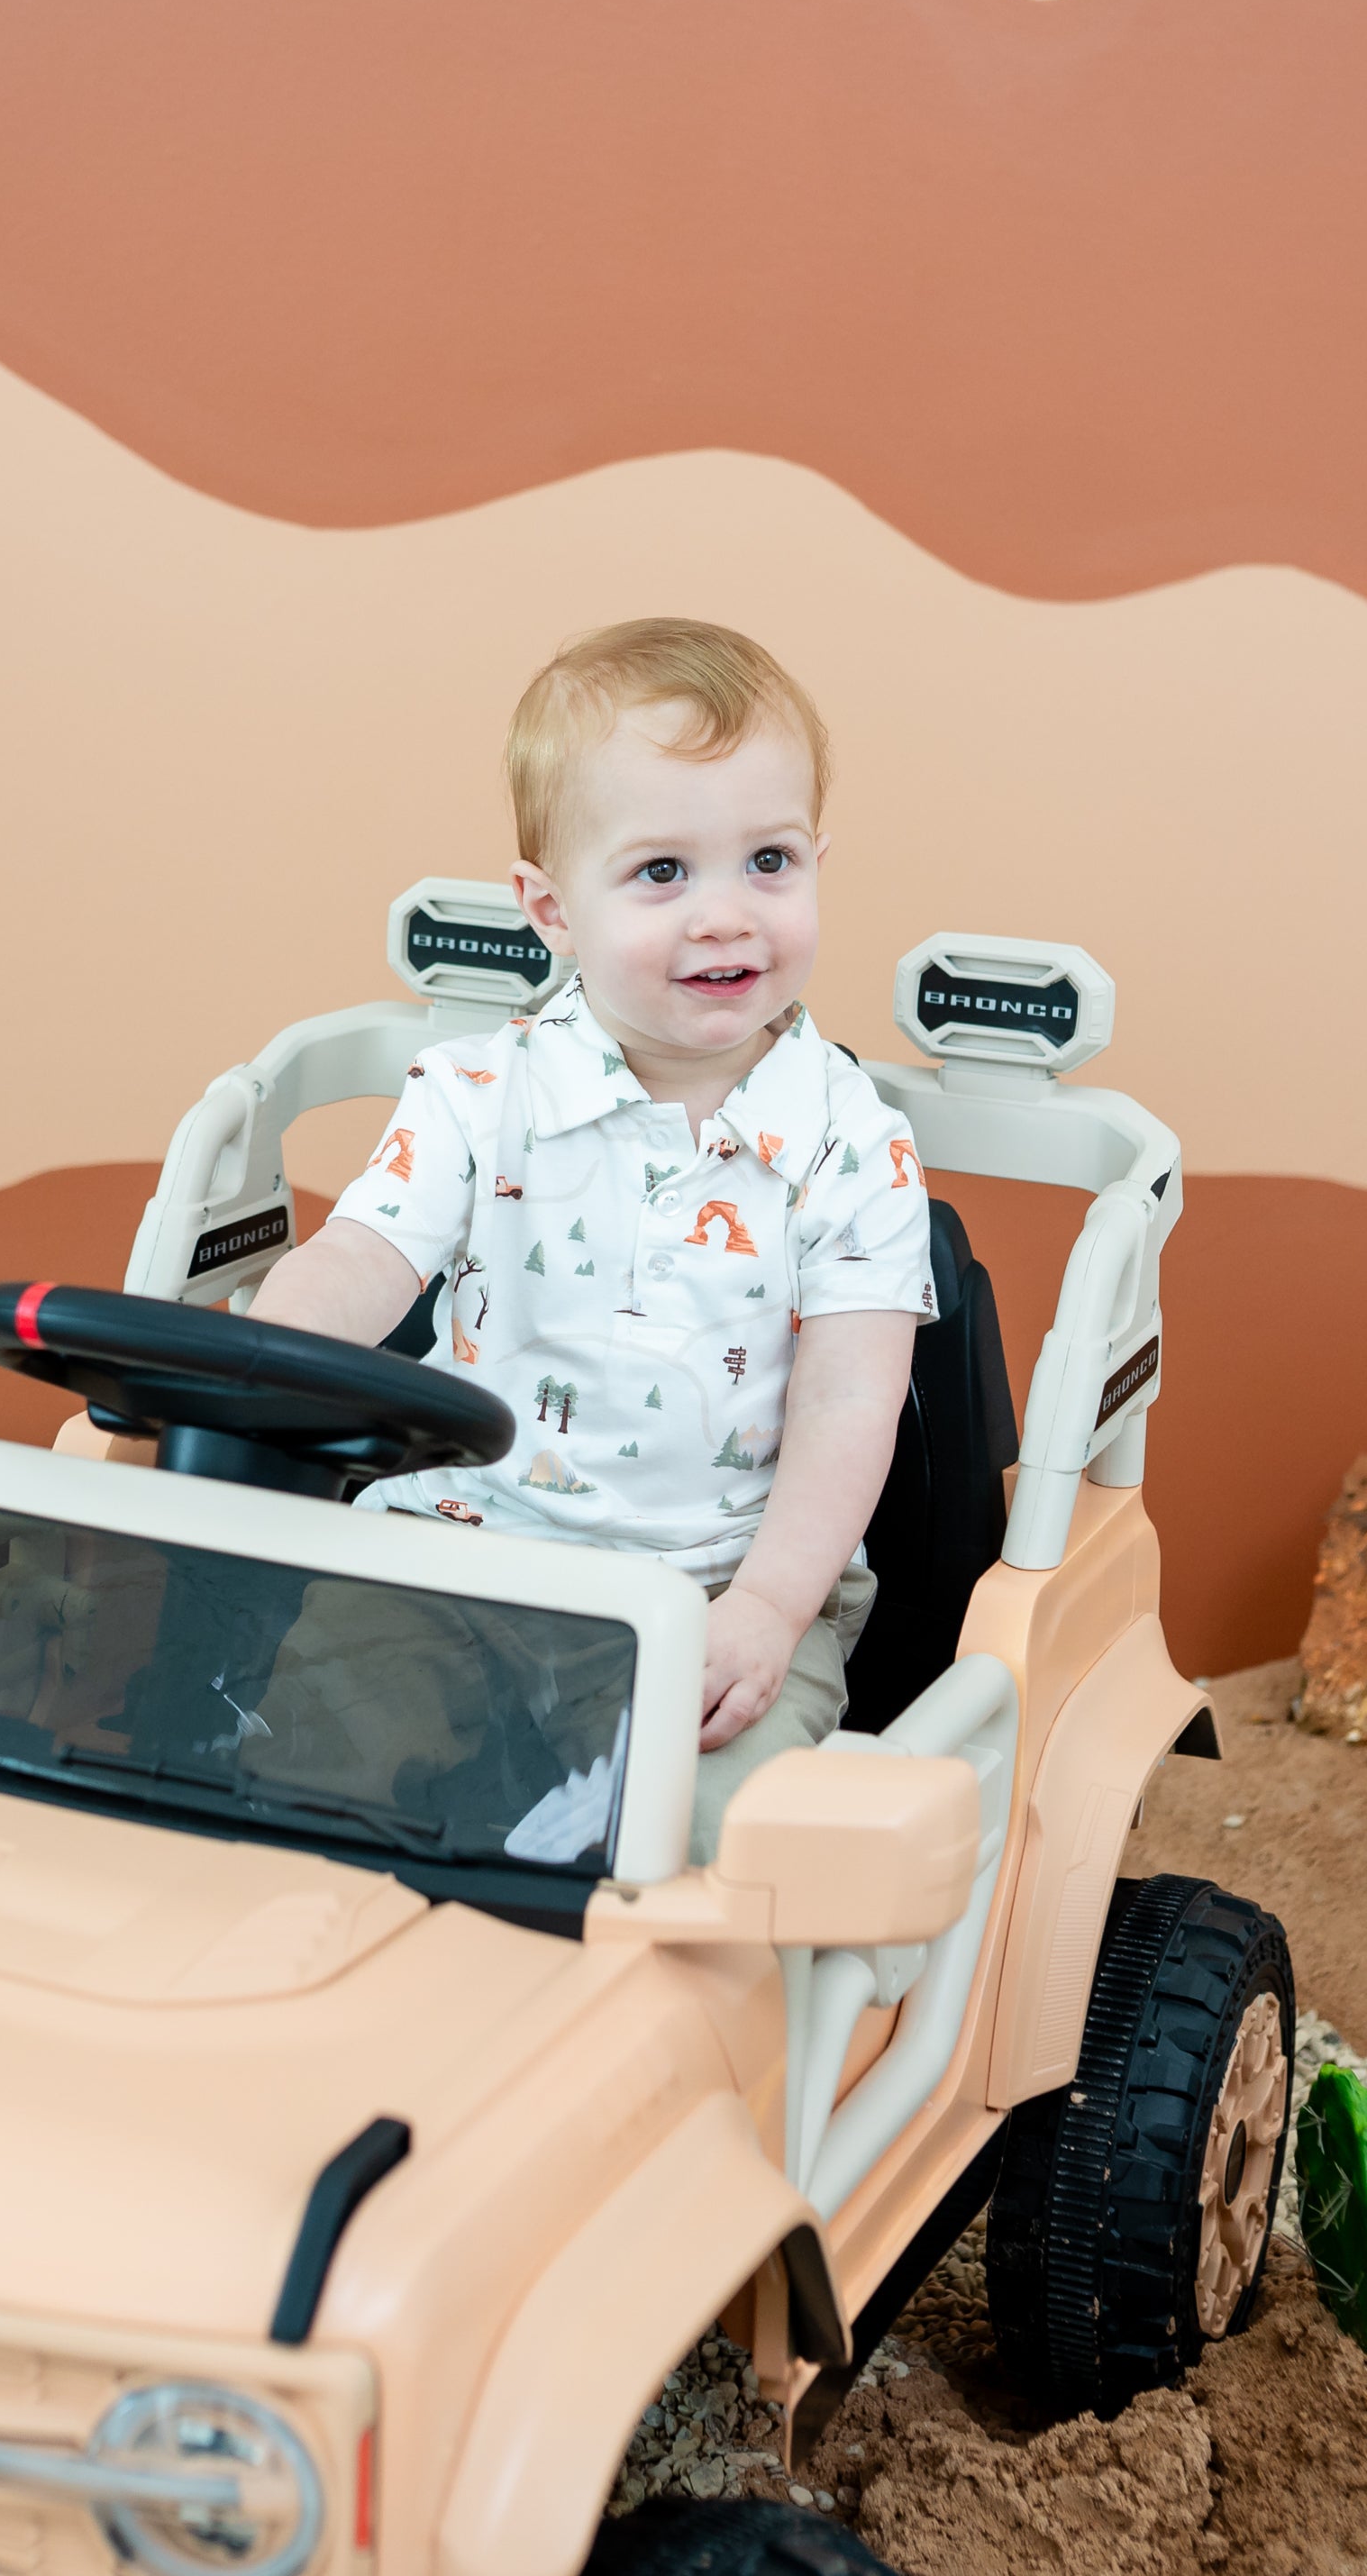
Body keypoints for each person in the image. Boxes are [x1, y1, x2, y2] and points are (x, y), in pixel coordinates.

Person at [251, 617, 934, 1858]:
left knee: (726, 1834)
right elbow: (364, 1259)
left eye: (769, 861)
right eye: (663, 873)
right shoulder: (476, 1093)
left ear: (820, 861)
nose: (727, 916)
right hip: (459, 1556)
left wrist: (775, 1605)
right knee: (299, 1750)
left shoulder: (851, 1141)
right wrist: (271, 1348)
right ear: (550, 909)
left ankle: (705, 2035)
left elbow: (851, 1401)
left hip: (719, 1588)